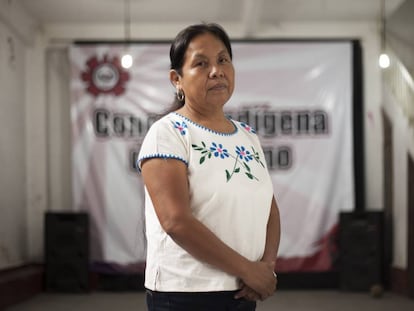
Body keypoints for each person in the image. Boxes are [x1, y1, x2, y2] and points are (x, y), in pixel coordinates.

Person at [137, 22, 281, 311]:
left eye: (223, 60)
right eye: (201, 63)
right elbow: (176, 222)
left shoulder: (247, 136)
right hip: (185, 294)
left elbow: (269, 208)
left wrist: (265, 267)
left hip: (243, 292)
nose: (216, 70)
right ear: (176, 79)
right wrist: (248, 270)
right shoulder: (168, 134)